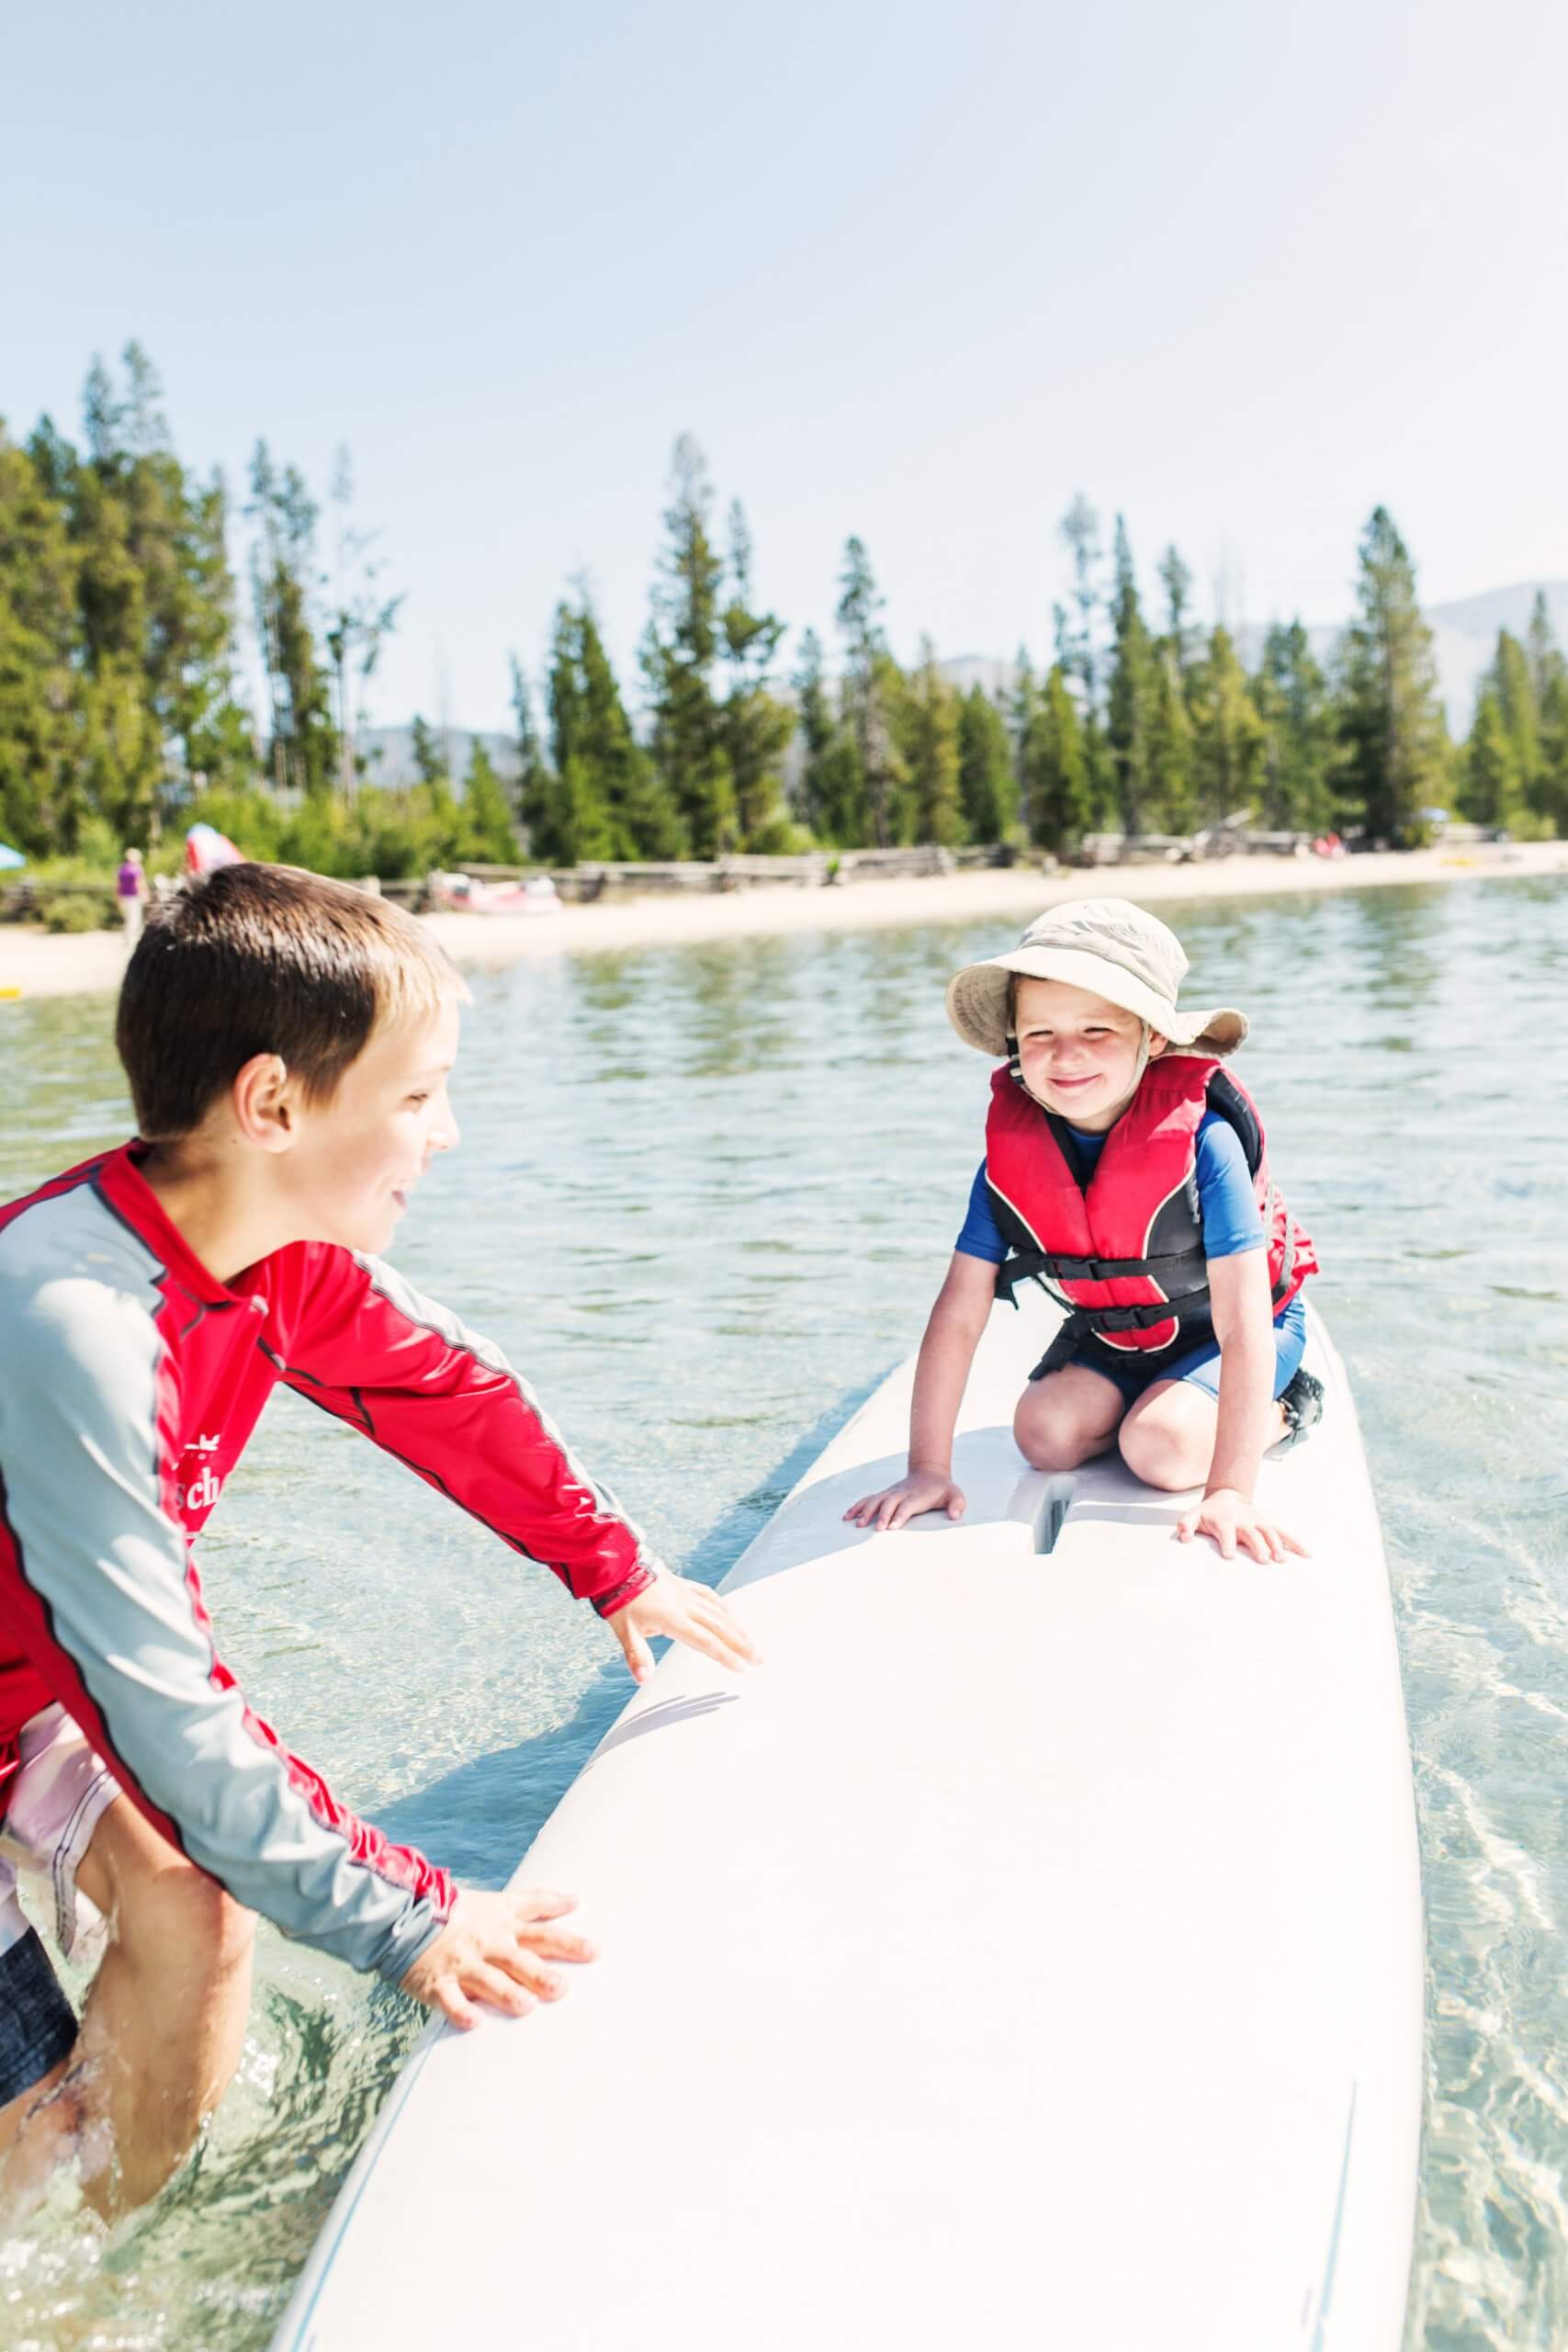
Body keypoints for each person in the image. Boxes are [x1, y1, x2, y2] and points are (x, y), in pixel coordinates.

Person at [0, 862, 759, 2217]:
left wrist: (616, 1569)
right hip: (71, 1683)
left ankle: (123, 2265)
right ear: (272, 1104)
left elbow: (445, 1391)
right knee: (28, 2133)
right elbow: (165, 1709)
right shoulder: (75, 1324)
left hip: (27, 1692)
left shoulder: (272, 1254)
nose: (445, 1134)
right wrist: (407, 1918)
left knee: (194, 1911)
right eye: (416, 1097)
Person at [846, 899, 1323, 1562]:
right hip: (1122, 1339)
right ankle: (1153, 1403)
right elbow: (957, 1314)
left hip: (1241, 1332)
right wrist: (928, 1468)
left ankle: (1285, 1405)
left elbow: (1242, 1323)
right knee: (1042, 1436)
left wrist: (1230, 1490)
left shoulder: (1204, 1145)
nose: (1065, 1056)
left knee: (1160, 1449)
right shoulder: (1006, 1165)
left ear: (1153, 1038)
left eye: (1096, 1029)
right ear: (1015, 1041)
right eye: (1039, 1034)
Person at [115, 847, 147, 946]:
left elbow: (117, 885)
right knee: (135, 919)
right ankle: (130, 938)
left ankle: (127, 937)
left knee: (127, 918)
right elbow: (140, 883)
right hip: (134, 896)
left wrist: (118, 897)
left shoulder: (122, 868)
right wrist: (145, 893)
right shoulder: (137, 868)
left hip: (124, 896)